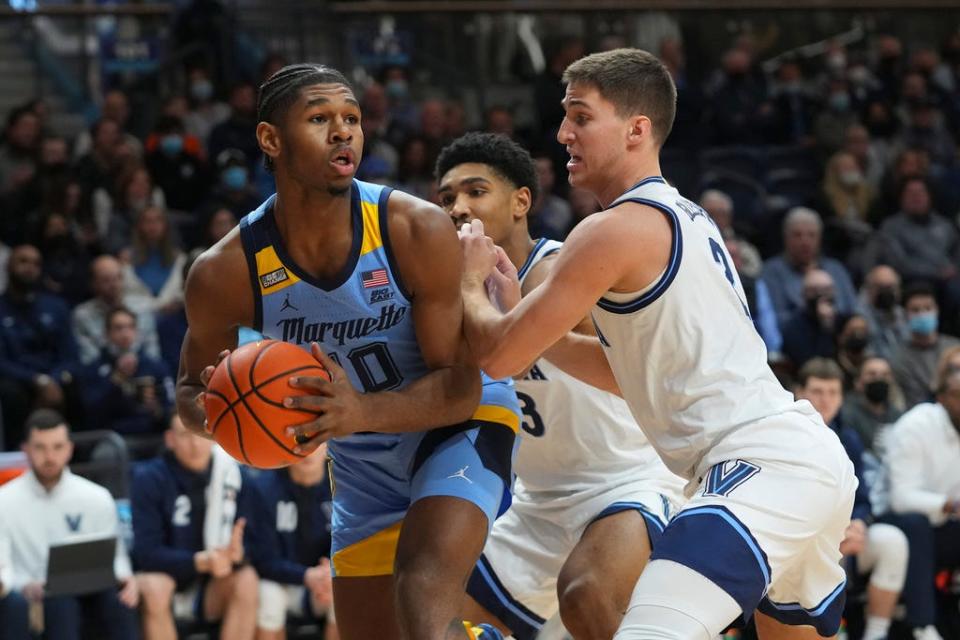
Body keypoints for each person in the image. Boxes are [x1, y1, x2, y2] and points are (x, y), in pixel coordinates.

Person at [457, 48, 856, 639]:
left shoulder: (613, 228)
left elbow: (496, 357)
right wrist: (521, 315)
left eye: (581, 116)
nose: (564, 132)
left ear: (636, 129)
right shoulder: (684, 214)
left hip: (758, 465)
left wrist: (468, 279)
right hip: (788, 457)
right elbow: (628, 373)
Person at [175, 63, 520, 640]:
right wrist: (222, 413)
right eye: (320, 119)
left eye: (352, 119)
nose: (344, 132)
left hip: (455, 424)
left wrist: (359, 411)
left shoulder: (413, 227)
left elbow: (459, 386)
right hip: (360, 461)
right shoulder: (223, 272)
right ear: (270, 139)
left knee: (421, 590)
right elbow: (190, 392)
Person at [436, 132, 685, 640]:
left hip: (626, 482)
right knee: (423, 607)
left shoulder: (557, 271)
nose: (459, 207)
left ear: (521, 201)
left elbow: (630, 376)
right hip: (537, 502)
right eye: (446, 198)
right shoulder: (452, 296)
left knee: (587, 595)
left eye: (475, 191)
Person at [795, 359, 910, 640]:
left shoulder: (849, 438)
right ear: (799, 393)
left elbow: (864, 499)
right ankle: (829, 630)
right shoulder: (784, 435)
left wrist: (858, 522)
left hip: (845, 538)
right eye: (817, 391)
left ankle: (876, 633)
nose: (825, 400)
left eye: (833, 393)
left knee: (891, 540)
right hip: (801, 536)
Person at [0, 409, 139, 640]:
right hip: (29, 595)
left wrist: (126, 578)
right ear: (26, 450)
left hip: (90, 590)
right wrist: (25, 585)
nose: (49, 456)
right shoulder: (4, 500)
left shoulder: (96, 496)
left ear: (70, 448)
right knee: (61, 603)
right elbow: (3, 568)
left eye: (57, 446)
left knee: (118, 598)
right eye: (40, 447)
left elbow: (117, 557)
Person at [132, 414, 258, 640]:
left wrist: (239, 555)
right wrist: (200, 561)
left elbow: (254, 544)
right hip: (167, 583)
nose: (195, 443)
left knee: (247, 578)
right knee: (154, 586)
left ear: (213, 437)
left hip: (211, 588)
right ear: (170, 439)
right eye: (184, 435)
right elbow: (146, 553)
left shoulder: (234, 475)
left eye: (201, 435)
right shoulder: (148, 478)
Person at [248, 444, 338, 640]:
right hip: (279, 581)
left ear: (328, 444)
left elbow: (352, 542)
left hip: (323, 583)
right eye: (299, 443)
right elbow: (261, 558)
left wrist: (330, 573)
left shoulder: (344, 485)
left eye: (315, 442)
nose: (307, 450)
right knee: (268, 599)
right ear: (283, 446)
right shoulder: (263, 488)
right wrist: (306, 575)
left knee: (345, 593)